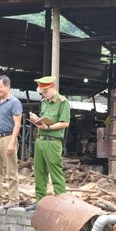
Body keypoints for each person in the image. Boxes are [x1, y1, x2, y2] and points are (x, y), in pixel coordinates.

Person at [26, 76, 70, 211]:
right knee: (39, 172)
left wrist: (48, 128)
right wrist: (37, 121)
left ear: (53, 87)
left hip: (53, 141)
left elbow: (65, 123)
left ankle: (61, 202)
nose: (43, 94)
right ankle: (40, 201)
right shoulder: (44, 102)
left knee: (55, 171)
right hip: (40, 140)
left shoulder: (63, 102)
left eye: (45, 91)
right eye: (42, 92)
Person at [0, 75, 23, 208]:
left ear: (8, 86)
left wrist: (12, 143)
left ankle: (13, 199)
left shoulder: (15, 102)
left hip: (8, 137)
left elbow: (17, 124)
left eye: (0, 86)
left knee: (11, 171)